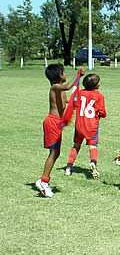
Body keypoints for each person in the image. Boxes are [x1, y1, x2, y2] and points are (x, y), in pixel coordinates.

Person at [36, 64, 85, 197]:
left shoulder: (59, 90)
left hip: (57, 123)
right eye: (64, 72)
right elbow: (68, 87)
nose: (65, 74)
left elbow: (64, 101)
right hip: (52, 122)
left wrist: (75, 103)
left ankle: (44, 180)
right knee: (54, 153)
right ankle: (43, 181)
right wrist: (78, 75)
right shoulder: (55, 87)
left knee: (56, 153)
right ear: (59, 75)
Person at [64, 74, 106, 179]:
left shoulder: (80, 93)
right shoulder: (99, 96)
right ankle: (93, 162)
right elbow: (102, 112)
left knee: (76, 145)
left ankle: (68, 167)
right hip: (91, 126)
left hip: (79, 125)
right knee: (92, 146)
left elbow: (73, 104)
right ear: (96, 85)